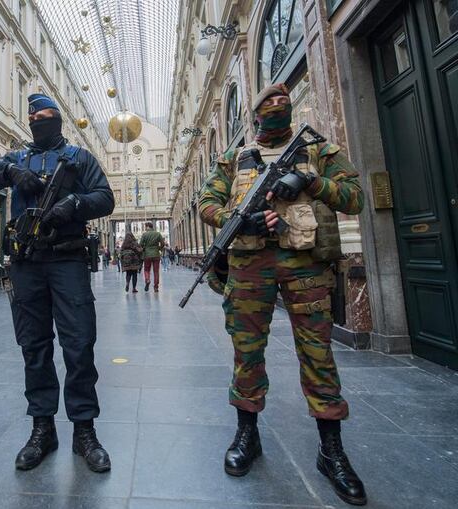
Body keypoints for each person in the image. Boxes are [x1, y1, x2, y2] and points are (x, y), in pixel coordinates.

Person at [199, 83, 366, 506]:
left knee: (317, 354)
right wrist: (240, 220)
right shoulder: (231, 158)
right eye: (267, 105)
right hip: (250, 266)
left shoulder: (319, 152)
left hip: (305, 265)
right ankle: (247, 435)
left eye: (282, 104)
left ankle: (332, 451)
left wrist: (309, 181)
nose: (276, 109)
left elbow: (354, 197)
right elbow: (205, 203)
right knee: (247, 350)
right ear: (254, 116)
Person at [0, 94, 115, 473]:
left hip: (67, 261)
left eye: (44, 115)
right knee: (34, 347)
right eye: (32, 115)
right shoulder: (16, 157)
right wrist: (9, 173)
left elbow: (105, 198)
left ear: (58, 120)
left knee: (79, 345)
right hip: (27, 262)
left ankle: (84, 430)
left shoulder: (79, 158)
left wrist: (74, 205)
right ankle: (42, 429)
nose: (37, 120)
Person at [139, 222, 164, 292]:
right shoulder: (157, 234)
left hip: (147, 255)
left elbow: (140, 244)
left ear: (147, 227)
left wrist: (144, 248)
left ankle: (147, 279)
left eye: (145, 227)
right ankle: (156, 287)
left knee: (146, 269)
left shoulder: (144, 234)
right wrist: (158, 248)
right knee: (156, 271)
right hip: (156, 254)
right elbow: (163, 243)